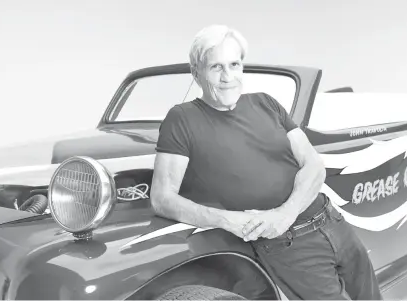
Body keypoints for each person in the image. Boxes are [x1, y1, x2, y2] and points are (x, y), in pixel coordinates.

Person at [150, 24, 383, 300]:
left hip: (331, 219)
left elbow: (313, 164)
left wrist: (286, 212)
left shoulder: (266, 103)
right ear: (196, 72)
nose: (228, 77)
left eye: (234, 64)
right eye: (216, 67)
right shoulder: (182, 118)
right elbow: (162, 198)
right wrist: (228, 220)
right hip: (287, 244)